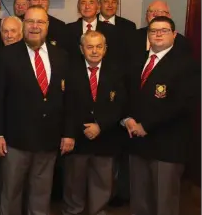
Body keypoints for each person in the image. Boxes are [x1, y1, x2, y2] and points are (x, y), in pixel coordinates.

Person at [0, 5, 72, 215]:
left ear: (47, 26)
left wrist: (67, 133)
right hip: (15, 140)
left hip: (49, 140)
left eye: (40, 22)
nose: (34, 26)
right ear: (23, 25)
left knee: (41, 194)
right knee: (11, 193)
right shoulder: (5, 56)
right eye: (30, 22)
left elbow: (68, 98)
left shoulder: (61, 56)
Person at [123, 16, 200, 215]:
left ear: (174, 35)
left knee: (164, 203)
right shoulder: (136, 60)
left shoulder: (187, 65)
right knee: (139, 201)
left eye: (164, 30)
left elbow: (181, 105)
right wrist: (127, 119)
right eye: (153, 30)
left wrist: (145, 125)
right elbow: (125, 93)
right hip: (137, 143)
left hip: (167, 146)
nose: (158, 34)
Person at [62, 30, 127, 215]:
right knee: (74, 186)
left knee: (102, 185)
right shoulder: (69, 70)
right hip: (77, 138)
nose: (95, 51)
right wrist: (72, 131)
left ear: (105, 49)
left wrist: (100, 125)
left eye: (99, 47)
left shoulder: (116, 71)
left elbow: (121, 103)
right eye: (90, 47)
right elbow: (65, 105)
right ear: (81, 49)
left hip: (105, 138)